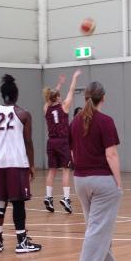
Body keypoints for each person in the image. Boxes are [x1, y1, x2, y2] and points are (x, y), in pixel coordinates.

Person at [71, 81, 122, 261]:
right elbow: (111, 154)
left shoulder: (74, 122)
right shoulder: (106, 121)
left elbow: (73, 153)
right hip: (102, 181)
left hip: (80, 180)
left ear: (85, 99)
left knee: (97, 226)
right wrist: (118, 181)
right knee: (98, 228)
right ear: (104, 98)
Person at [0, 74, 41, 254]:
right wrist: (31, 165)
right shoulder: (23, 114)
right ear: (16, 95)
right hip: (16, 161)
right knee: (18, 203)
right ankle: (21, 241)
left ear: (3, 95)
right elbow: (28, 142)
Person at [43, 70, 81, 214]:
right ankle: (66, 199)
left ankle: (48, 197)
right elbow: (71, 90)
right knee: (66, 170)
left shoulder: (46, 108)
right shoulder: (64, 106)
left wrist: (58, 85)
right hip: (62, 142)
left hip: (51, 142)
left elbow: (49, 99)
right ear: (58, 98)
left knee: (52, 171)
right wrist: (74, 78)